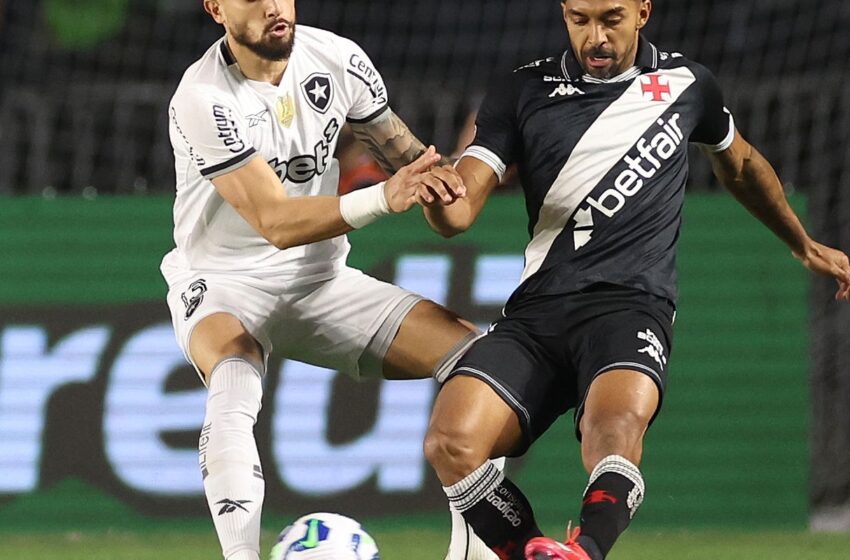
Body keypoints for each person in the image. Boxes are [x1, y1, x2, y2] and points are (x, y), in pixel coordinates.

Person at [416, 1, 850, 559]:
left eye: (611, 17)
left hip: (630, 307)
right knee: (450, 443)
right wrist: (439, 198)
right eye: (579, 19)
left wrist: (802, 242)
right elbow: (459, 211)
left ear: (643, 10)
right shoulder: (522, 89)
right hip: (537, 314)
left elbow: (739, 164)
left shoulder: (688, 85)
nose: (594, 36)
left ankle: (587, 550)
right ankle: (533, 552)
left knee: (613, 428)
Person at [162, 1, 500, 560]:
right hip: (223, 282)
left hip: (320, 280)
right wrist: (384, 198)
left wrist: (452, 184)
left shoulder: (338, 60)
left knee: (485, 366)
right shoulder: (203, 97)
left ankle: (473, 554)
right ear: (216, 8)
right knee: (233, 377)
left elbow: (411, 160)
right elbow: (274, 222)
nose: (275, 7)